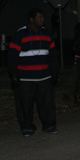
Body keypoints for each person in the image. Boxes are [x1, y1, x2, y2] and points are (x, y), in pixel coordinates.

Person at [8, 8, 58, 136]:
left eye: (43, 17)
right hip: (26, 78)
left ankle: (49, 125)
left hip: (44, 76)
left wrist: (54, 72)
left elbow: (53, 55)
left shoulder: (46, 34)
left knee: (47, 103)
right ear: (31, 19)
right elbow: (12, 55)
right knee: (25, 104)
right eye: (39, 17)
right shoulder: (21, 34)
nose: (42, 20)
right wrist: (14, 74)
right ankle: (27, 127)